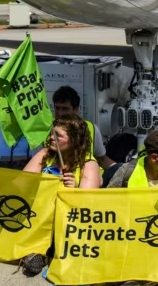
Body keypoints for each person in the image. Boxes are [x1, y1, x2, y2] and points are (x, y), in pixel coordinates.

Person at [20, 116, 101, 276]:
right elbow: (24, 181)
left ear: (74, 140)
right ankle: (39, 254)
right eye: (52, 133)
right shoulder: (45, 154)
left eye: (58, 136)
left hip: (68, 226)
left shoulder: (89, 165)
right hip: (40, 219)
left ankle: (49, 253)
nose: (51, 138)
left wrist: (74, 190)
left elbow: (88, 205)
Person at [51, 86, 114, 169]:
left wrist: (121, 170)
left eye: (65, 109)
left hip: (86, 178)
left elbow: (102, 159)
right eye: (57, 108)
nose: (60, 113)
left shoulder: (91, 129)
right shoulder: (46, 129)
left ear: (75, 109)